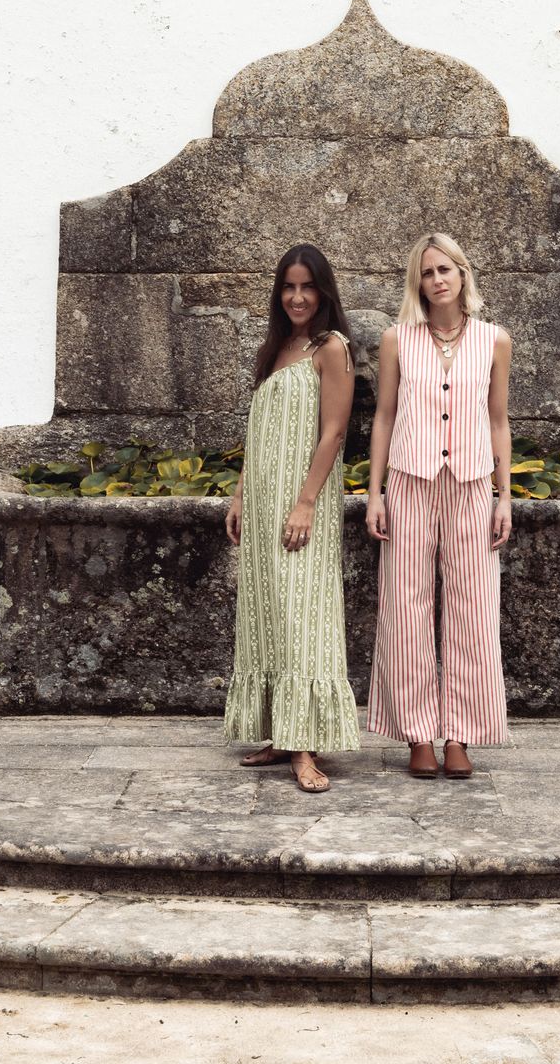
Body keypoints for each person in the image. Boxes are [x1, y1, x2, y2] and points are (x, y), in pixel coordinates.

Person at [366, 233, 511, 778]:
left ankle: (462, 734)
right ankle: (419, 734)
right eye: (427, 272)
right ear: (418, 282)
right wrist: (375, 492)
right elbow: (382, 416)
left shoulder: (494, 340)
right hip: (409, 481)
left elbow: (498, 421)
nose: (438, 280)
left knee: (472, 609)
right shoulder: (397, 339)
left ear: (463, 274)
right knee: (405, 608)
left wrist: (505, 497)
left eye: (446, 269)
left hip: (472, 484)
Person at [224, 243, 359, 792]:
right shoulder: (277, 349)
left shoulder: (334, 348)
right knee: (269, 611)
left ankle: (305, 748)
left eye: (307, 286)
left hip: (304, 501)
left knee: (304, 613)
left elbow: (334, 432)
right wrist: (238, 496)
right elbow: (260, 436)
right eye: (288, 287)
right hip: (262, 501)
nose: (297, 296)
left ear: (323, 291)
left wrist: (305, 501)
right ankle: (280, 734)